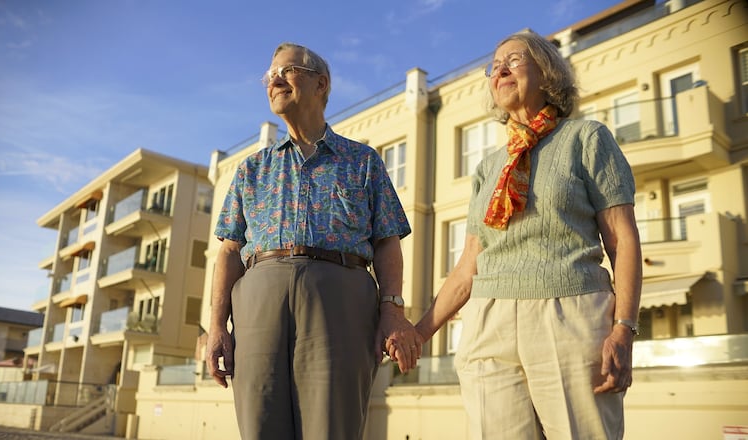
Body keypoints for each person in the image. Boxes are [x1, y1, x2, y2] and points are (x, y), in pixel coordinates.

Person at [414, 30, 642, 439]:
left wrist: (624, 329)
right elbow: (468, 267)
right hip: (488, 321)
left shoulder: (585, 139)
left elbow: (622, 241)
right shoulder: (488, 168)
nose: (500, 69)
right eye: (494, 65)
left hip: (569, 314)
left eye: (514, 60)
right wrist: (419, 333)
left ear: (548, 72)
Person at [206, 42, 422, 440]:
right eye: (269, 75)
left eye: (285, 71)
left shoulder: (363, 161)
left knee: (332, 425)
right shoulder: (252, 168)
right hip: (257, 300)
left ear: (320, 83)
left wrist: (392, 309)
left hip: (341, 297)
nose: (273, 80)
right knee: (259, 421)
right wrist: (217, 326)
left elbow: (387, 241)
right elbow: (230, 250)